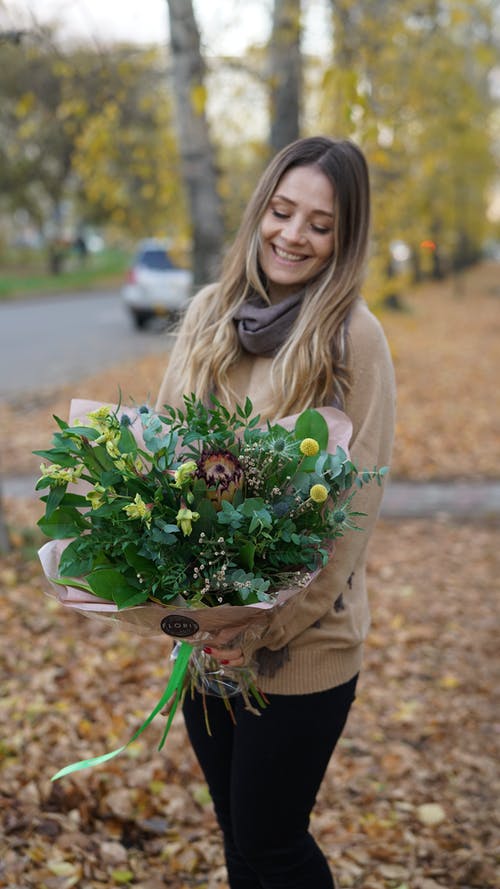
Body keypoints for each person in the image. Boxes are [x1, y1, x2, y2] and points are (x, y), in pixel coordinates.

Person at [156, 136, 396, 889]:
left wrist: (260, 628)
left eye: (320, 225)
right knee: (238, 836)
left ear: (343, 239)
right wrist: (183, 612)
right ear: (261, 208)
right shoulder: (206, 315)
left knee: (271, 845)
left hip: (303, 650)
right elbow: (157, 460)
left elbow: (351, 517)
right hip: (204, 644)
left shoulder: (353, 338)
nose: (293, 235)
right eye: (282, 211)